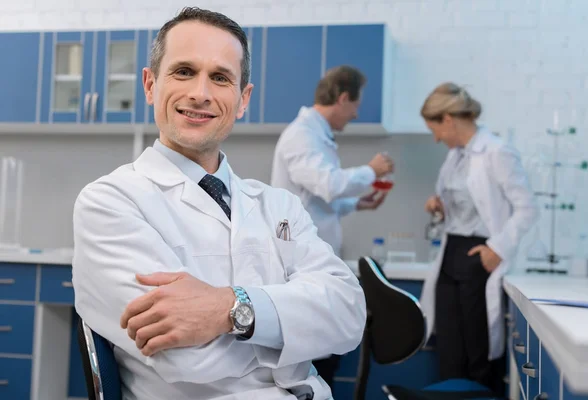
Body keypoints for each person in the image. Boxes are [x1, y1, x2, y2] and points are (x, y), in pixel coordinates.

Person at [72, 7, 366, 400]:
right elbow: (186, 359)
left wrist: (229, 307)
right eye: (183, 72)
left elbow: (348, 315)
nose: (200, 93)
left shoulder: (279, 206)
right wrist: (296, 332)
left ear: (243, 99)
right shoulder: (110, 202)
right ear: (149, 84)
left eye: (220, 77)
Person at [270, 66, 394, 390]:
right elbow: (327, 183)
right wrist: (372, 169)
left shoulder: (316, 135)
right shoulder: (302, 135)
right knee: (313, 361)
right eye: (355, 105)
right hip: (299, 268)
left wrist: (357, 204)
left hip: (315, 263)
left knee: (325, 357)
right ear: (342, 98)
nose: (355, 114)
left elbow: (317, 197)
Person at [418, 83, 539, 395]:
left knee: (478, 354)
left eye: (435, 129)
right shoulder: (454, 157)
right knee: (449, 351)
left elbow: (526, 208)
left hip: (479, 257)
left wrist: (496, 249)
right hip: (449, 255)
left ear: (448, 119)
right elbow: (466, 206)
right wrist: (440, 207)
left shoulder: (497, 152)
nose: (435, 138)